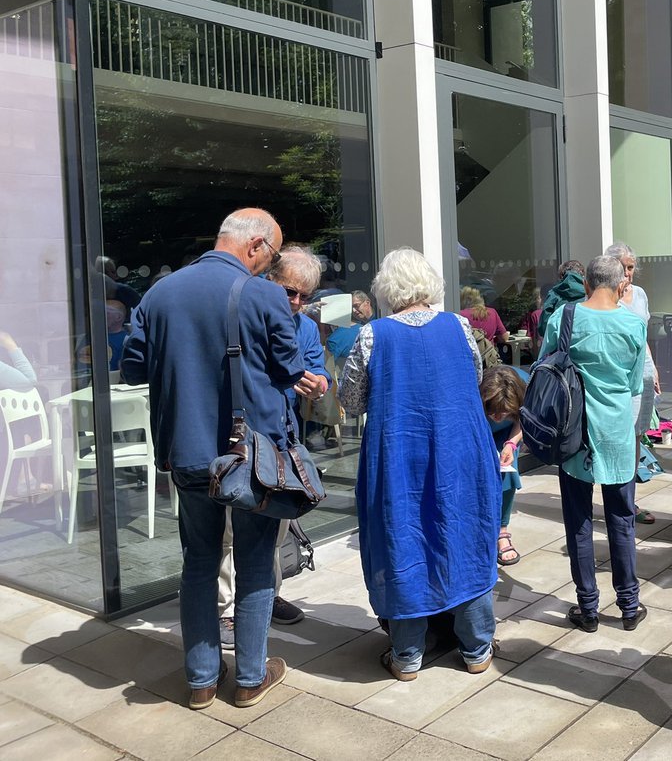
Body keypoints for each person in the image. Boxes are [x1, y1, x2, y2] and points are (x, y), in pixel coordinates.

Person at [122, 208, 321, 711]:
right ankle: (251, 678)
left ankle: (202, 680)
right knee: (255, 563)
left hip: (185, 451)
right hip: (251, 455)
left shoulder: (159, 293)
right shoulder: (265, 295)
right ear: (255, 246)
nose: (271, 265)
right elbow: (289, 369)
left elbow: (133, 369)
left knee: (199, 562)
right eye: (272, 255)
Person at [339, 248, 500, 681]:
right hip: (459, 451)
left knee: (402, 537)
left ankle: (408, 653)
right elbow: (474, 374)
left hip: (398, 456)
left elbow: (349, 400)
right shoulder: (461, 326)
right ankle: (477, 647)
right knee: (464, 532)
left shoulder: (372, 335)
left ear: (387, 289)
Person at [215, 245, 330, 644]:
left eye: (304, 296)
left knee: (277, 524)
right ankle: (227, 607)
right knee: (232, 526)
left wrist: (318, 383)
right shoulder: (246, 314)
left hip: (283, 438)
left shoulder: (307, 327)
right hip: (242, 436)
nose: (296, 302)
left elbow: (317, 371)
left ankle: (269, 595)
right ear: (269, 282)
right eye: (289, 292)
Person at [541, 255, 647, 632]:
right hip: (617, 430)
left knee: (579, 521)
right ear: (622, 286)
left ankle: (588, 607)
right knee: (622, 519)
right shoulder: (633, 323)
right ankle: (629, 605)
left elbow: (545, 367)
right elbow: (635, 384)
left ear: (586, 283)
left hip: (575, 431)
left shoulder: (563, 317)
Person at [605, 242, 661, 525]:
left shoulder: (639, 294)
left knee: (637, 436)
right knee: (618, 436)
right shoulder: (603, 296)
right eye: (625, 268)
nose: (629, 274)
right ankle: (615, 499)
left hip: (643, 371)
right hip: (617, 376)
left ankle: (629, 500)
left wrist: (653, 367)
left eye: (631, 268)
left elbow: (643, 336)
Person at [480, 365, 529, 565]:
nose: (498, 417)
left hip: (509, 432)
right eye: (494, 412)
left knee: (508, 472)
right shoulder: (475, 392)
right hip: (479, 431)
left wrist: (511, 443)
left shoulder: (525, 386)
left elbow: (524, 420)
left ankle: (502, 531)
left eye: (504, 412)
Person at [538, 260, 586, 338]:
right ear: (582, 275)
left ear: (561, 277)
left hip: (561, 345)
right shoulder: (590, 293)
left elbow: (544, 328)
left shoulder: (554, 294)